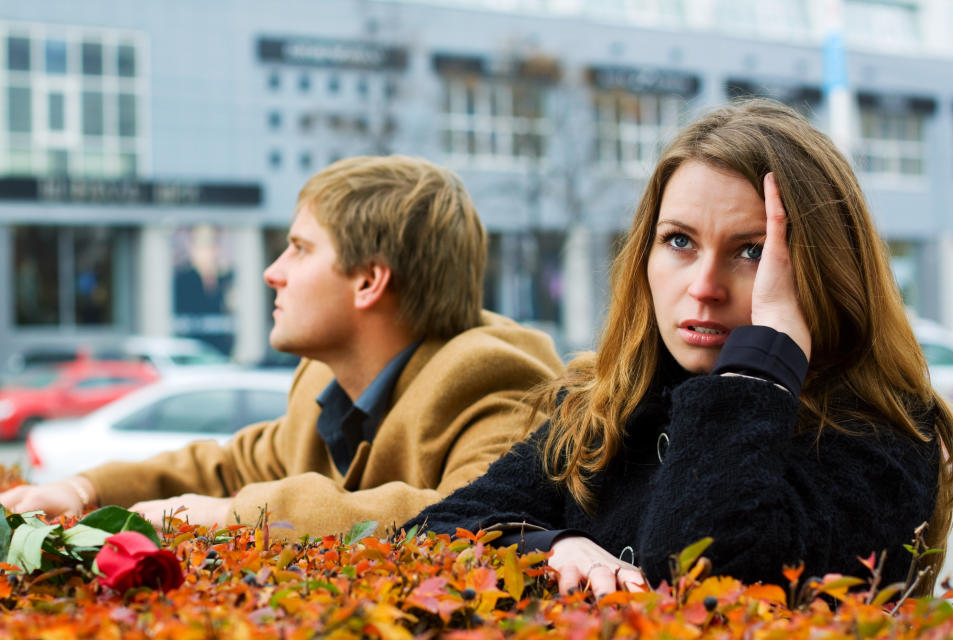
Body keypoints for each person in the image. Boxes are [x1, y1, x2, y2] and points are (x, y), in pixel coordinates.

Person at [408, 100, 953, 597]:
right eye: (679, 241)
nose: (703, 287)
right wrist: (552, 546)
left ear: (823, 271)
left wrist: (760, 367)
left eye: (751, 251)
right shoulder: (605, 407)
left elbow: (700, 574)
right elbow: (427, 534)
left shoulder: (882, 437)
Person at [1, 156, 564, 539]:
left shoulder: (493, 378)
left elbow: (471, 518)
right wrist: (84, 487)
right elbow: (227, 465)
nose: (273, 272)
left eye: (298, 249)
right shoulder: (320, 381)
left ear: (369, 280)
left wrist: (238, 516)